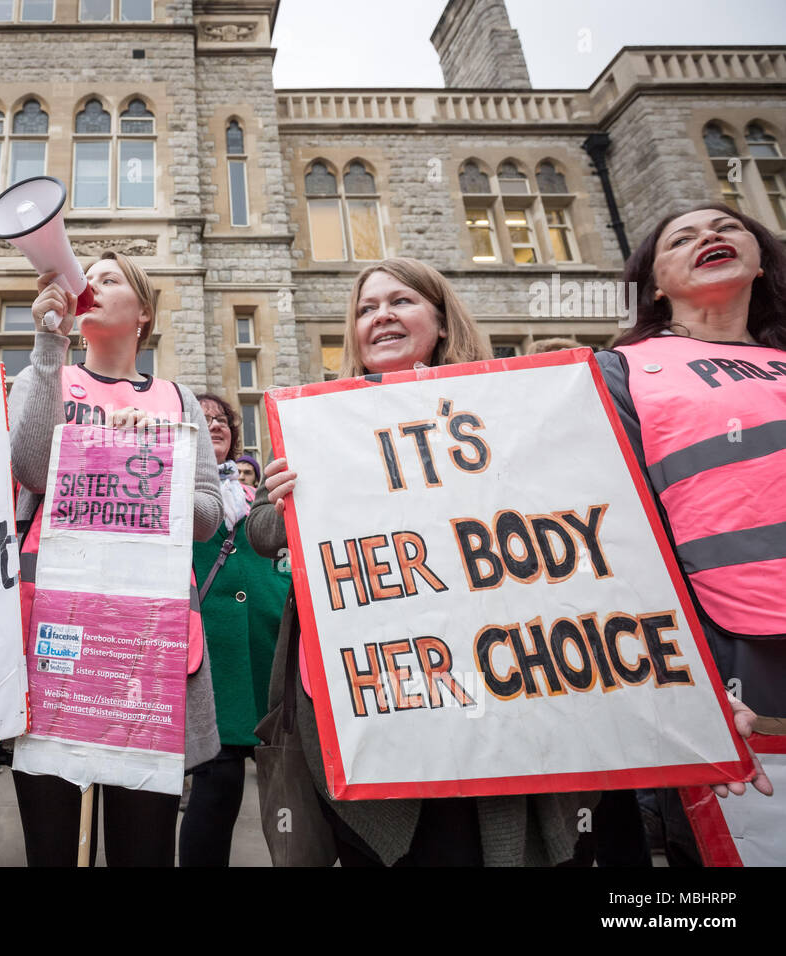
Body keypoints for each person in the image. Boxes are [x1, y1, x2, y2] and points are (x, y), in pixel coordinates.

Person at [249, 257, 595, 866]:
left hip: (483, 684)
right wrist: (285, 501)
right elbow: (261, 531)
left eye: (400, 301)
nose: (380, 316)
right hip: (360, 693)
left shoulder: (496, 408)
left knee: (464, 839)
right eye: (364, 309)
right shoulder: (319, 419)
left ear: (439, 318)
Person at [9, 250, 223, 866]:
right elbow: (29, 471)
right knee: (52, 847)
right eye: (87, 279)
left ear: (144, 314)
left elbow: (208, 517)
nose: (91, 286)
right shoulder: (42, 377)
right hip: (54, 640)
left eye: (109, 279)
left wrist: (156, 456)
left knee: (145, 849)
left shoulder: (178, 401)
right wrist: (48, 349)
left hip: (146, 651)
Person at [598, 203, 780, 865]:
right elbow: (613, 531)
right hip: (734, 649)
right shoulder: (622, 370)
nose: (711, 235)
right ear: (654, 283)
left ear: (762, 259)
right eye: (684, 236)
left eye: (730, 227)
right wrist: (684, 677)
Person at [178, 394, 289, 867]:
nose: (215, 424)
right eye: (202, 419)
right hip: (211, 655)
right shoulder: (171, 485)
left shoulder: (258, 491)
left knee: (291, 793)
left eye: (221, 419)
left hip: (269, 648)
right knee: (217, 784)